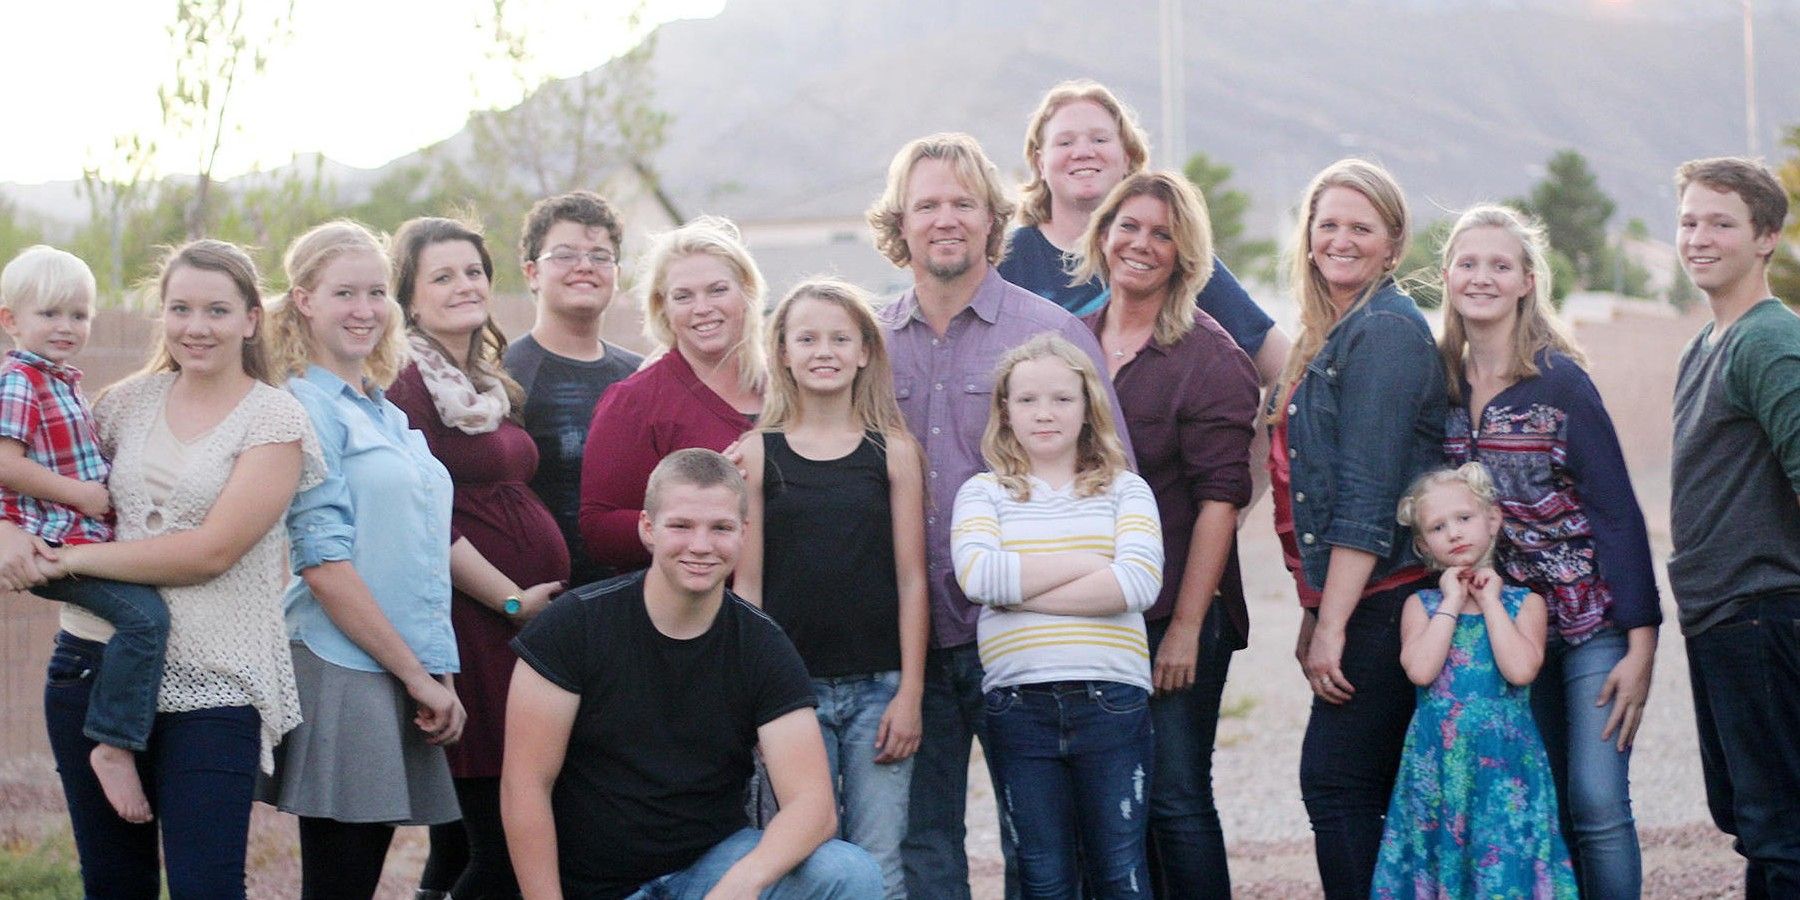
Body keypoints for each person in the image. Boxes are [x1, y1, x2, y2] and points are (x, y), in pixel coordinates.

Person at [865, 131, 1133, 900]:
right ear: (900, 222)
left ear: (992, 218)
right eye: (926, 205)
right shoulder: (869, 343)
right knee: (922, 844)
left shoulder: (1049, 334)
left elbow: (1110, 480)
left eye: (962, 203)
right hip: (906, 636)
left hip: (1026, 631)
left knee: (1042, 846)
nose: (944, 219)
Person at [20, 239, 316, 899]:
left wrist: (65, 560)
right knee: (114, 884)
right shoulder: (122, 405)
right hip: (91, 669)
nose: (195, 326)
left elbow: (209, 552)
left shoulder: (275, 420)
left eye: (216, 309)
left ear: (250, 319)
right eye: (179, 308)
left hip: (213, 684)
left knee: (206, 886)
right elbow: (41, 485)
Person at [502, 448, 883, 899]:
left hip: (711, 868)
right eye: (681, 526)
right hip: (596, 883)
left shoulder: (762, 645)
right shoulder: (572, 627)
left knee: (849, 872)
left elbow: (813, 806)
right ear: (648, 528)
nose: (700, 545)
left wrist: (742, 883)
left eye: (720, 528)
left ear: (743, 533)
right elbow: (525, 784)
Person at [1436, 203, 1660, 897]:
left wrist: (1643, 644)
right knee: (1541, 806)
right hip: (1505, 626)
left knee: (1596, 803)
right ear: (1446, 276)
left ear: (1528, 281)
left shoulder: (1561, 384)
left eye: (1500, 265)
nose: (1483, 277)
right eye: (1469, 264)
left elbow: (1618, 513)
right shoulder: (1440, 387)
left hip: (1590, 625)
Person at [1072, 172, 1260, 897]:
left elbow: (1220, 501)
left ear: (1185, 255)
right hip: (1090, 608)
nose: (1140, 244)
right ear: (1103, 233)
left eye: (1161, 233)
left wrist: (1184, 627)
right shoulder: (1072, 340)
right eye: (1129, 226)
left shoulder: (1210, 358)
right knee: (1111, 805)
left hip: (1174, 612)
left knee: (1176, 799)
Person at [1272, 158, 1445, 899]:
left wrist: (1333, 623)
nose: (1340, 239)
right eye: (1328, 224)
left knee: (1337, 784)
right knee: (1358, 790)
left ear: (1393, 244)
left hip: (1386, 598)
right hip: (1356, 598)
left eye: (1360, 227)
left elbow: (1368, 496)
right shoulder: (1337, 331)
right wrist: (1316, 612)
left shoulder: (1385, 333)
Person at [385, 217, 570, 900]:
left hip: (510, 624)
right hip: (474, 624)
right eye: (442, 275)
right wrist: (512, 600)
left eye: (472, 272)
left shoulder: (483, 379)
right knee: (498, 838)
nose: (464, 285)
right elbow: (421, 522)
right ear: (409, 297)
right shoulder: (407, 380)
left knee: (461, 841)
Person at [733, 278, 928, 899]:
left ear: (865, 350)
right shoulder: (757, 455)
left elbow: (912, 578)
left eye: (841, 338)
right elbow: (749, 586)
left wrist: (911, 693)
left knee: (879, 860)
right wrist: (753, 701)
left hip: (880, 691)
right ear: (782, 353)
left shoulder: (893, 452)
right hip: (791, 695)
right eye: (807, 338)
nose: (825, 350)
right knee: (806, 857)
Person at [951, 333, 1163, 897]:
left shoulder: (1126, 491)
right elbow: (977, 578)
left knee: (1120, 869)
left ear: (1088, 406)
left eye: (1062, 399)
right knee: (1042, 874)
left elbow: (1138, 582)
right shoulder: (982, 494)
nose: (1044, 413)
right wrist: (1089, 561)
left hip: (1111, 698)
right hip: (1019, 704)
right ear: (1005, 411)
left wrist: (1016, 590)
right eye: (1027, 400)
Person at [1668, 156, 1800, 898]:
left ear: (1766, 239)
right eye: (1689, 220)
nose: (1699, 237)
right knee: (1750, 819)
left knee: (1781, 832)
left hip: (1766, 612)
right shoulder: (1705, 346)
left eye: (1721, 222)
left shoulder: (1770, 343)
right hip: (1719, 616)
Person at [0, 246, 168, 824]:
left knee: (143, 614)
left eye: (79, 314)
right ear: (10, 320)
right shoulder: (21, 380)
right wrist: (83, 497)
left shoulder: (61, 381)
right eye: (50, 314)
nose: (67, 327)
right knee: (145, 619)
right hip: (52, 543)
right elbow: (4, 463)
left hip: (74, 536)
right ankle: (113, 742)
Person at [998, 79, 1290, 386]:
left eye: (1099, 139)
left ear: (1127, 157)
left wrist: (1257, 433)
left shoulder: (1171, 255)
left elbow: (1283, 364)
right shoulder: (1006, 260)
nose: (1083, 151)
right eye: (1065, 142)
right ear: (1039, 162)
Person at [1372, 463, 1577, 898]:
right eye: (1438, 527)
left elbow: (1520, 670)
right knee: (1444, 861)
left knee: (1504, 868)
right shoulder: (1422, 607)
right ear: (1425, 544)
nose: (1454, 533)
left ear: (1493, 520)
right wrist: (1451, 601)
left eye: (1464, 518)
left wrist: (1490, 602)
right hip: (1439, 766)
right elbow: (1421, 670)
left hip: (1506, 768)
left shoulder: (1525, 604)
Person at [579, 215, 765, 573]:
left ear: (747, 292)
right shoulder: (635, 401)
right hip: (702, 613)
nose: (702, 308)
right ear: (663, 307)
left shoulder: (789, 389)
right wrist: (696, 507)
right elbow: (598, 529)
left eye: (717, 290)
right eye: (683, 296)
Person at [504, 191, 644, 587]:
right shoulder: (502, 377)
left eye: (600, 256)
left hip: (634, 601)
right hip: (538, 606)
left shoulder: (640, 378)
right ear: (532, 273)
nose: (585, 266)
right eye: (565, 255)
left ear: (616, 274)